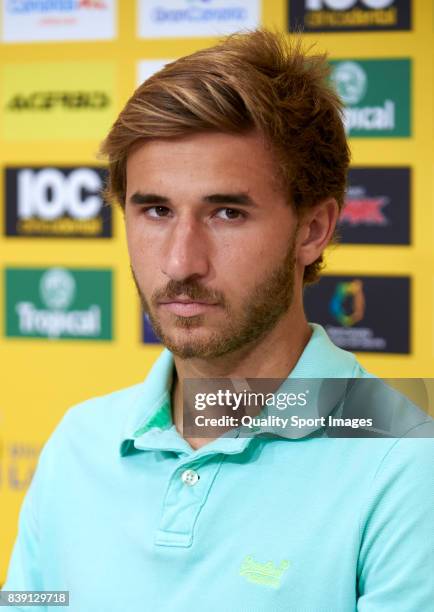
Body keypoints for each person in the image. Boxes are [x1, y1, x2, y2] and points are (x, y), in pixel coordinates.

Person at [3, 29, 434, 611]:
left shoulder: (407, 461)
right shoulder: (79, 443)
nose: (182, 261)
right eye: (155, 210)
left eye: (228, 213)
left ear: (313, 230)